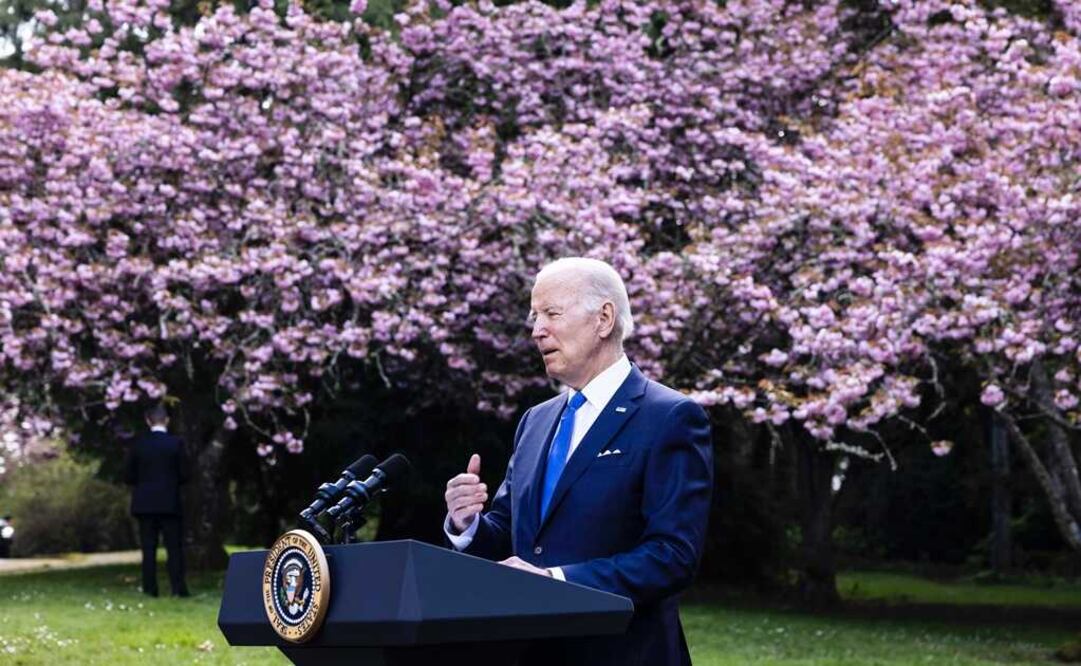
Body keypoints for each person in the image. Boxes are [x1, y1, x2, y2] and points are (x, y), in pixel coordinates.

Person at [444, 257, 713, 666]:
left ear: (604, 319)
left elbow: (672, 555)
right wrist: (468, 524)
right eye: (534, 317)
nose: (537, 331)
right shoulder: (536, 420)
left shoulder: (670, 417)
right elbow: (512, 534)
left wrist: (556, 582)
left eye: (552, 313)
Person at [124, 404, 190, 597]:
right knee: (174, 549)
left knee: (148, 549)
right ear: (167, 420)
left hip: (145, 504)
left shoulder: (138, 444)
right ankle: (178, 589)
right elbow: (185, 474)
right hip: (170, 503)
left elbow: (128, 476)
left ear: (147, 420)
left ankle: (150, 589)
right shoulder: (176, 443)